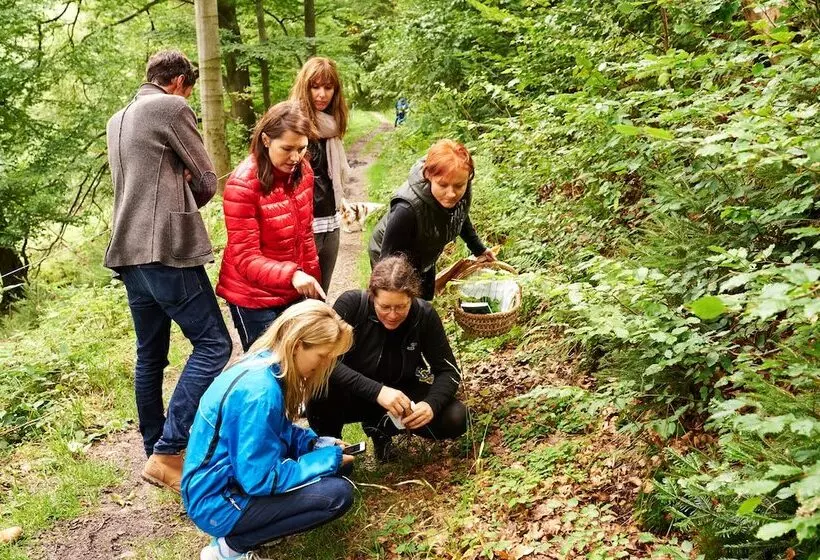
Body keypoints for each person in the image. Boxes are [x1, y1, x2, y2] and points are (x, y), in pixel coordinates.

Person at [104, 49, 232, 492]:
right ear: (179, 81)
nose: (190, 97)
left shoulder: (118, 117)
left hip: (126, 253)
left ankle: (154, 448)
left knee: (150, 356)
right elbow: (207, 178)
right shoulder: (171, 106)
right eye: (191, 88)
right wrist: (185, 200)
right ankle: (168, 450)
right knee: (214, 345)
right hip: (163, 250)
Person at [183, 300, 356, 560]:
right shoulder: (260, 394)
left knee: (340, 467)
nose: (323, 367)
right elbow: (259, 479)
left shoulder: (265, 366)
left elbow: (275, 431)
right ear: (298, 345)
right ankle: (230, 547)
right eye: (321, 357)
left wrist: (315, 445)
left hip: (229, 483)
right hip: (219, 502)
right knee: (336, 495)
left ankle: (259, 525)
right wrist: (325, 460)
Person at [307, 255, 469, 462]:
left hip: (399, 395)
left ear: (412, 298)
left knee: (457, 417)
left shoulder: (424, 315)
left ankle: (382, 431)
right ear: (372, 296)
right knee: (319, 390)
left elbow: (448, 370)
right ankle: (332, 449)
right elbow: (324, 360)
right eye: (384, 307)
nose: (392, 315)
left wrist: (431, 404)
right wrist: (377, 391)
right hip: (351, 393)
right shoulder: (351, 305)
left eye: (401, 307)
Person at [216, 101, 325, 352]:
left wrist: (312, 286)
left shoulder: (303, 171)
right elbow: (245, 258)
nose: (295, 157)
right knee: (267, 372)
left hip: (292, 292)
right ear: (266, 140)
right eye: (287, 148)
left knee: (300, 369)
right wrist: (293, 275)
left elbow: (304, 235)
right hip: (252, 298)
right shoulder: (242, 184)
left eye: (302, 148)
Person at [369, 139, 495, 300]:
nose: (451, 194)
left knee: (424, 301)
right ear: (429, 175)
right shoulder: (406, 210)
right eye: (443, 185)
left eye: (458, 186)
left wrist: (479, 249)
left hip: (424, 254)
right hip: (392, 255)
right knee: (401, 305)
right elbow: (387, 264)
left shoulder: (460, 187)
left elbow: (460, 216)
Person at [289, 57, 351, 295]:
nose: (322, 94)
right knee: (299, 301)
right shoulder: (292, 125)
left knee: (321, 295)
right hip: (304, 226)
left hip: (331, 221)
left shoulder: (332, 127)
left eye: (328, 87)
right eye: (315, 87)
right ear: (305, 87)